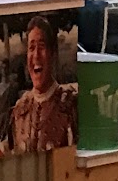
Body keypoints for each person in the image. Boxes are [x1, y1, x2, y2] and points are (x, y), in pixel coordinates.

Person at [8, 15, 77, 153]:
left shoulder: (70, 106)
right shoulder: (20, 110)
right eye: (31, 48)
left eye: (41, 47)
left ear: (52, 53)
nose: (36, 55)